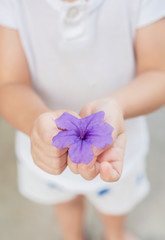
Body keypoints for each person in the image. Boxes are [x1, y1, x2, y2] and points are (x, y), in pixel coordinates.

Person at [0, 0, 165, 239]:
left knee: (115, 206)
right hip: (48, 150)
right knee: (65, 202)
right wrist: (36, 122)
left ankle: (115, 234)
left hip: (115, 151)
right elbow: (9, 85)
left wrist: (117, 105)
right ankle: (73, 235)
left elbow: (159, 74)